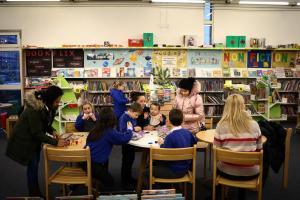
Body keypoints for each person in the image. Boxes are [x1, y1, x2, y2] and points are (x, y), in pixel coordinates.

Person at [6, 86, 67, 197]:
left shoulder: (49, 107)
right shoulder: (34, 109)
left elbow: (45, 123)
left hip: (34, 140)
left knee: (34, 165)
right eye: (57, 101)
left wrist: (52, 131)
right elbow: (36, 132)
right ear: (50, 100)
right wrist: (55, 142)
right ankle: (34, 195)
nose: (58, 103)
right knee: (32, 167)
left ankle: (35, 193)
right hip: (25, 140)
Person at [213, 94, 263, 200]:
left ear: (226, 107)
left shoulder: (221, 126)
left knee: (218, 165)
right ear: (243, 106)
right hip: (251, 173)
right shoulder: (254, 125)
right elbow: (259, 149)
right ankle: (241, 195)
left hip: (227, 172)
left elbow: (216, 150)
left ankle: (219, 194)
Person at [86, 107, 133, 191]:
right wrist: (130, 129)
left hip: (85, 161)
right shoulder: (109, 131)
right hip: (94, 165)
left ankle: (95, 180)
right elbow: (123, 139)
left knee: (105, 161)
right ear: (112, 119)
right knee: (110, 183)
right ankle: (95, 186)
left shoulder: (94, 130)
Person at [155, 108, 197, 178]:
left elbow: (164, 154)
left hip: (173, 170)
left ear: (169, 121)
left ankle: (162, 187)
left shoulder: (170, 137)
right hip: (186, 168)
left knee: (146, 171)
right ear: (182, 120)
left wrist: (161, 144)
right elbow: (194, 143)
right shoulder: (188, 133)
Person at [119, 102, 143, 190]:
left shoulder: (131, 116)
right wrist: (133, 128)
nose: (136, 117)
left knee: (131, 160)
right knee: (126, 162)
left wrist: (136, 127)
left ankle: (129, 178)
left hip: (131, 141)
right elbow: (122, 130)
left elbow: (134, 124)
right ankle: (125, 182)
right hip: (126, 142)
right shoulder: (124, 117)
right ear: (131, 111)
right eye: (136, 115)